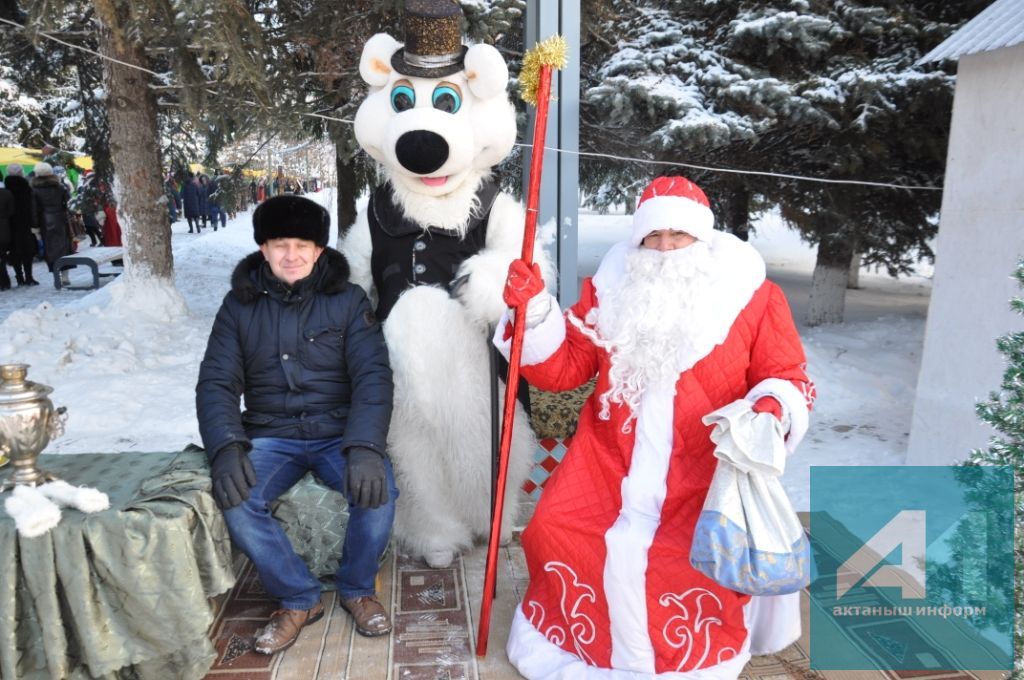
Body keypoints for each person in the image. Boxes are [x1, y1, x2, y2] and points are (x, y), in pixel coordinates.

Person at [497, 176, 816, 679]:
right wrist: (534, 312)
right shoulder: (611, 290)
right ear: (638, 241)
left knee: (679, 557)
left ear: (702, 239)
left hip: (704, 474)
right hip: (606, 466)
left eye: (678, 236)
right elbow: (563, 369)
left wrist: (771, 407)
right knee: (553, 527)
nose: (665, 248)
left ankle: (684, 659)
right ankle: (575, 649)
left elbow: (786, 374)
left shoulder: (752, 297)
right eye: (653, 237)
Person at [196, 194, 397, 655]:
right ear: (262, 249)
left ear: (319, 250)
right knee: (238, 497)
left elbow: (373, 375)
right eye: (280, 244)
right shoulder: (238, 306)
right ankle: (297, 597)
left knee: (379, 489)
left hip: (338, 431)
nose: (292, 255)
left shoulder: (348, 301)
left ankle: (357, 589)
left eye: (302, 245)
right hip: (270, 433)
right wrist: (226, 446)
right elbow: (216, 382)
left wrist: (365, 445)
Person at [31, 162, 72, 272]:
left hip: (45, 220)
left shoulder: (34, 190)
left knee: (50, 248)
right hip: (60, 218)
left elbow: (34, 210)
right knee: (63, 245)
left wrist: (35, 226)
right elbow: (68, 202)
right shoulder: (60, 187)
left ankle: (56, 273)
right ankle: (65, 273)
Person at [3, 164, 40, 285]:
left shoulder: (6, 188)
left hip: (11, 225)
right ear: (21, 173)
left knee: (15, 252)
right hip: (25, 224)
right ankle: (29, 277)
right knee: (27, 251)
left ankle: (19, 277)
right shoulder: (26, 188)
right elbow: (32, 207)